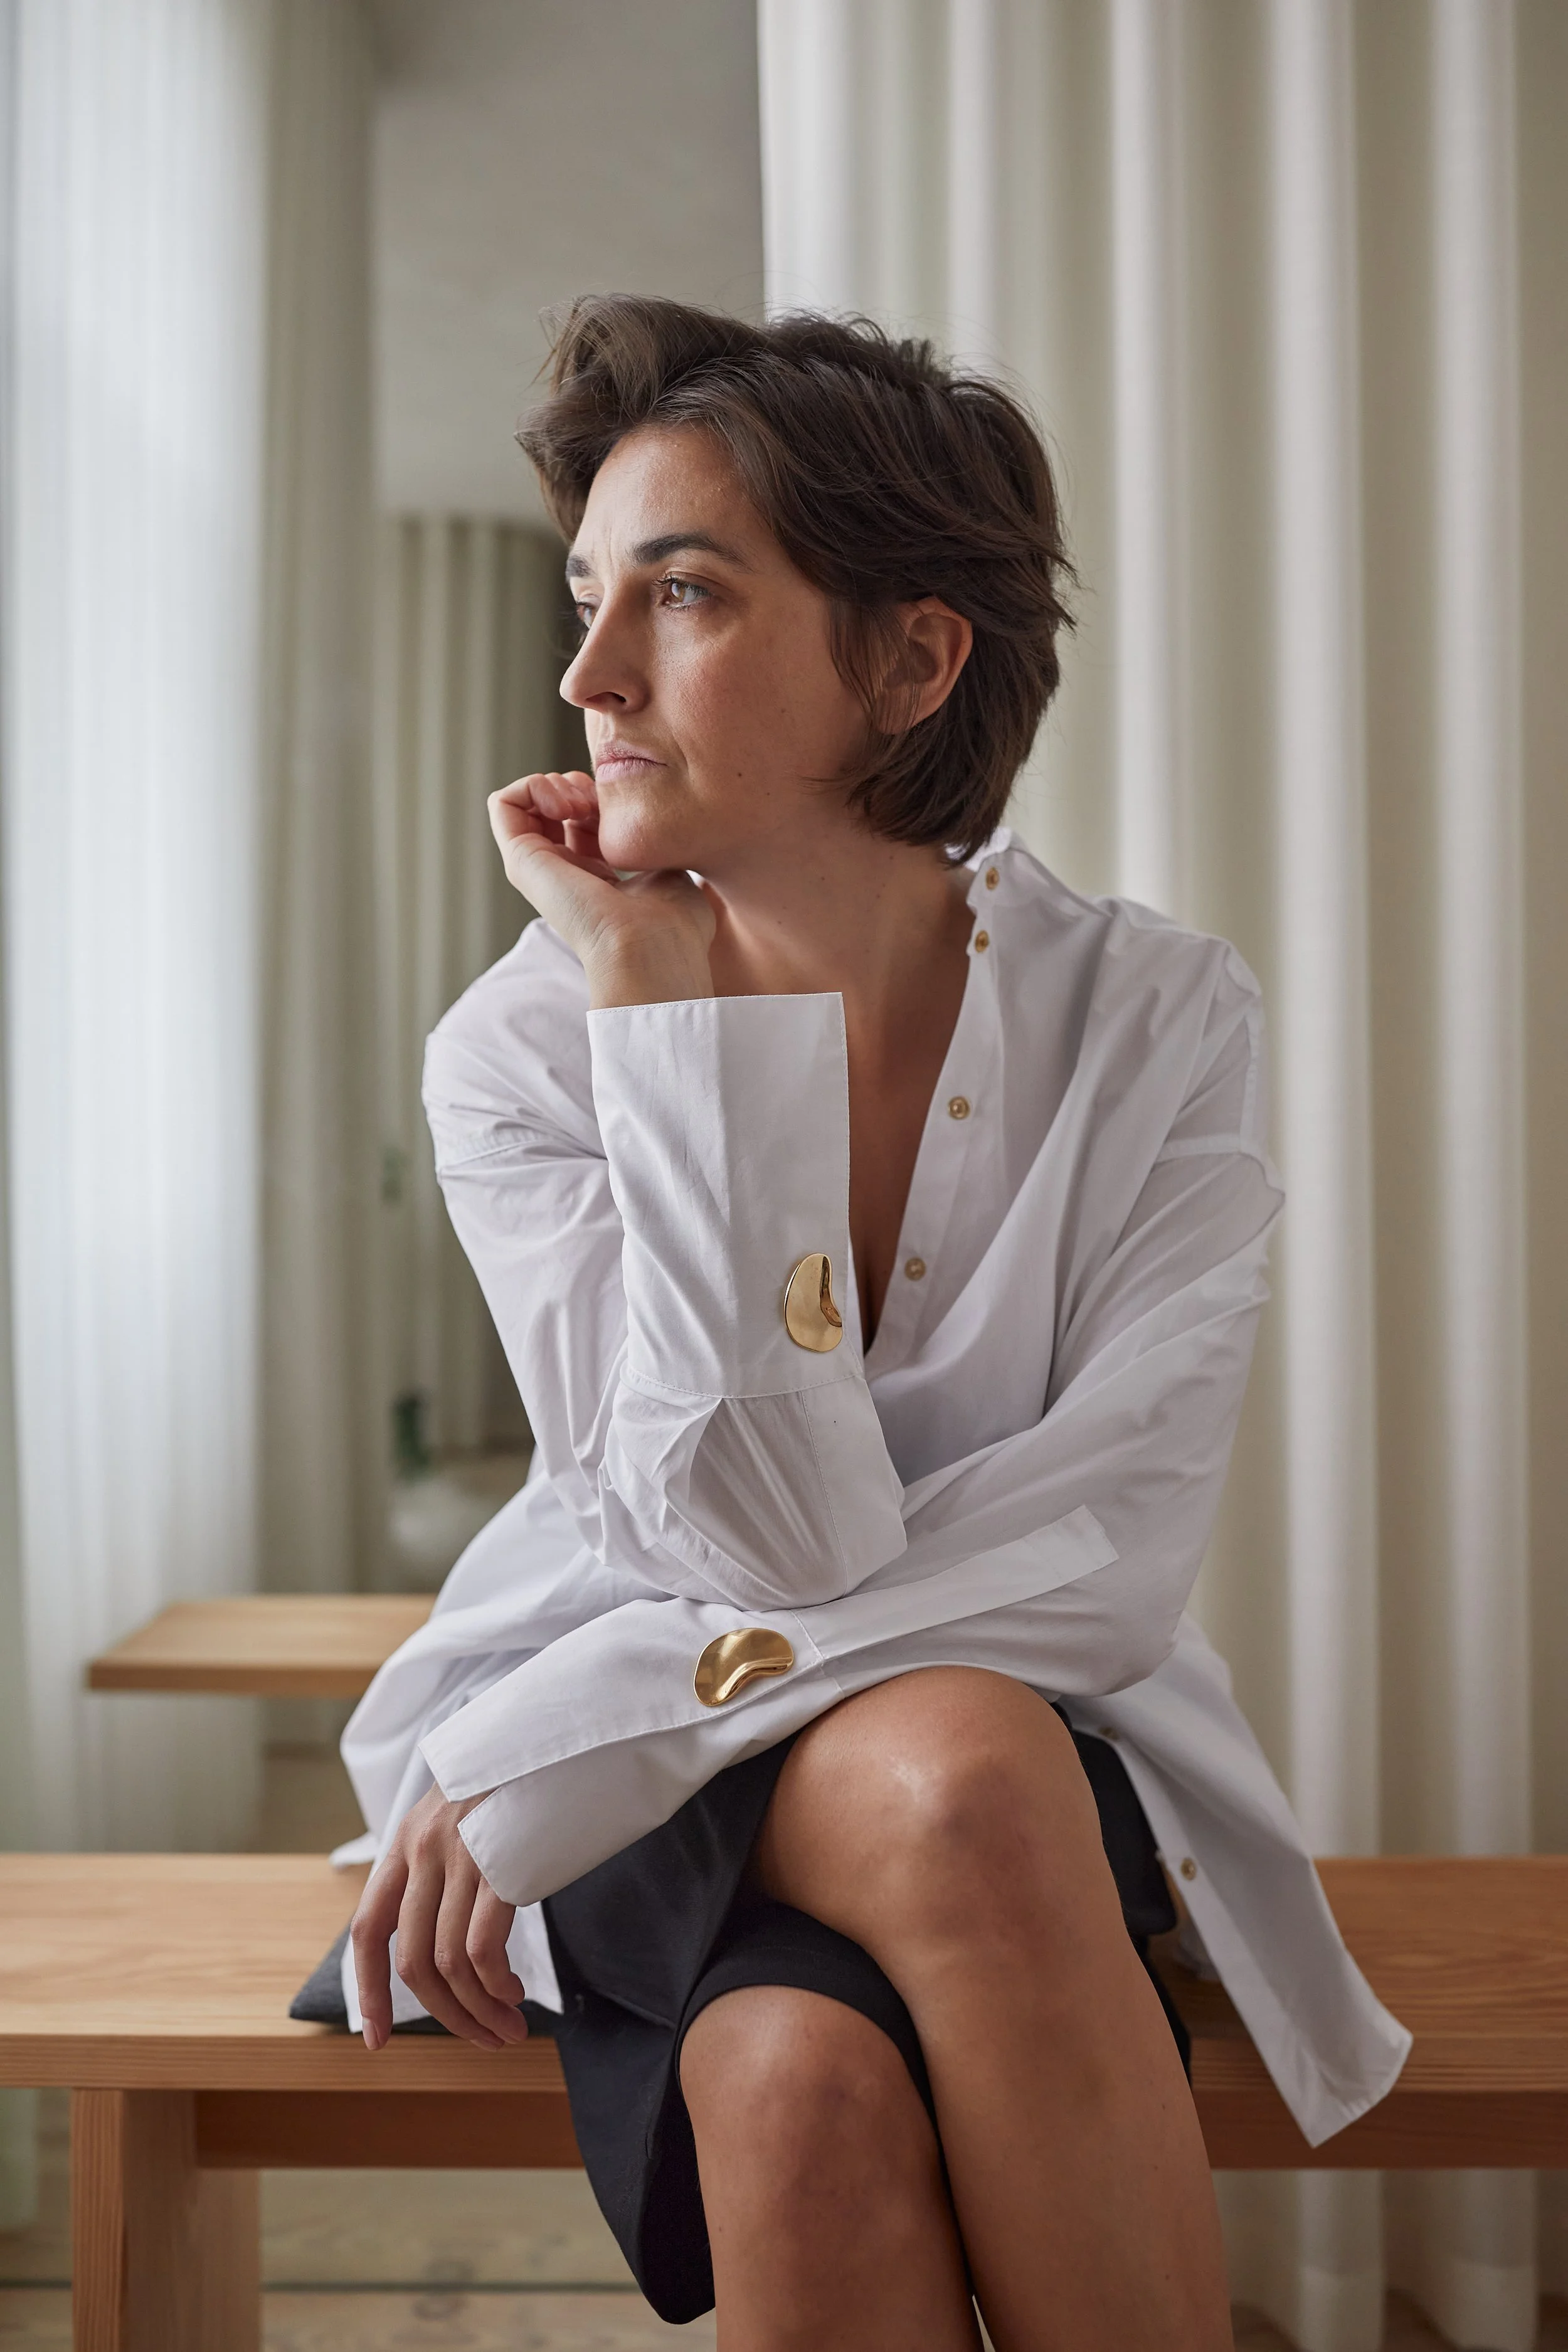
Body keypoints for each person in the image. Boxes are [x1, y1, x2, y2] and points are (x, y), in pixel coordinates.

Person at [343, 297, 1408, 2350]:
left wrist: (555, 1754)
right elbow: (745, 1537)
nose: (585, 676)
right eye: (588, 599)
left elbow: (1102, 1556)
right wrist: (668, 1034)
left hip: (668, 1765)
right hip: (708, 1784)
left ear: (911, 657)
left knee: (904, 1885)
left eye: (683, 595)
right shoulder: (522, 1051)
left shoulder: (1157, 1019)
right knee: (871, 1935)